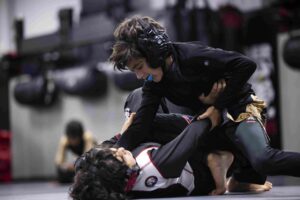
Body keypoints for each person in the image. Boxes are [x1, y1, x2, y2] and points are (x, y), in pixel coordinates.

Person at [109, 15, 300, 186]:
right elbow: (143, 122)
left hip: (237, 110)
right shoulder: (154, 82)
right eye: (134, 70)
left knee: (263, 161)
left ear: (154, 53)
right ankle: (224, 162)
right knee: (145, 122)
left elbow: (246, 65)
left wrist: (218, 104)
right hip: (209, 121)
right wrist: (115, 152)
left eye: (139, 67)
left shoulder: (192, 56)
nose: (139, 75)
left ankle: (239, 167)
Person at [70, 112, 235, 199]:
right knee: (140, 113)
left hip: (164, 155)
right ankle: (214, 159)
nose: (120, 150)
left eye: (115, 151)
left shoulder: (114, 183)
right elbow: (193, 134)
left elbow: (85, 164)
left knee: (119, 140)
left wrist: (122, 137)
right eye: (119, 157)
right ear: (126, 174)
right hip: (200, 170)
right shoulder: (156, 165)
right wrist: (215, 109)